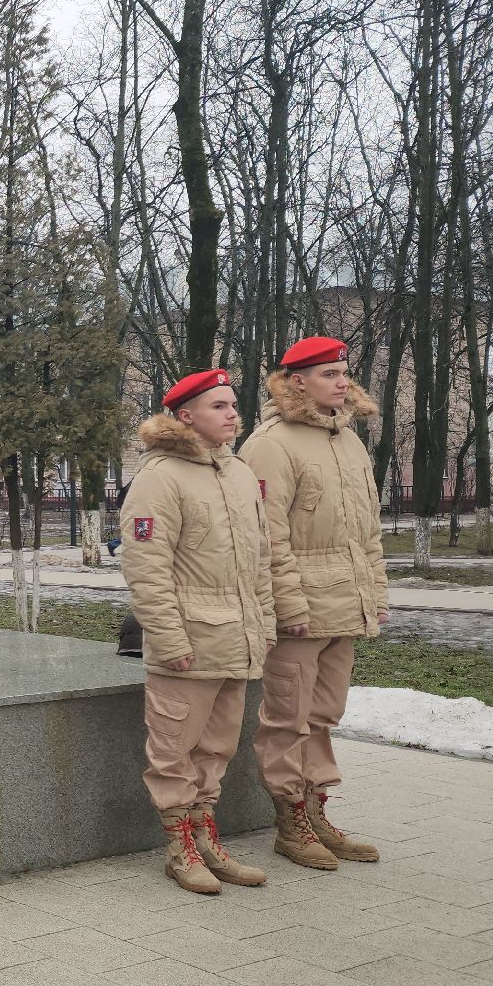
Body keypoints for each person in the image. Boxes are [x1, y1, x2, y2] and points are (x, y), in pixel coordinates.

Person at [119, 369, 274, 895]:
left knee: (216, 750)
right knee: (173, 753)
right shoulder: (159, 478)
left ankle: (206, 839)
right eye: (219, 406)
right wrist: (168, 638)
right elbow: (147, 568)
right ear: (186, 416)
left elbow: (261, 562)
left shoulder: (238, 473)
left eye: (233, 404)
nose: (233, 413)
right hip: (187, 642)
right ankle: (178, 849)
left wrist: (264, 625)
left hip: (236, 640)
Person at [239, 337, 388, 869]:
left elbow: (368, 532)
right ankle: (290, 822)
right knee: (288, 718)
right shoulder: (271, 443)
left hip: (345, 605)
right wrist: (290, 606)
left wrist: (375, 593)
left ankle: (316, 809)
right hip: (299, 610)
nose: (343, 382)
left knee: (323, 715)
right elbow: (265, 536)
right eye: (330, 374)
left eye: (345, 372)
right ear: (297, 382)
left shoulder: (349, 441)